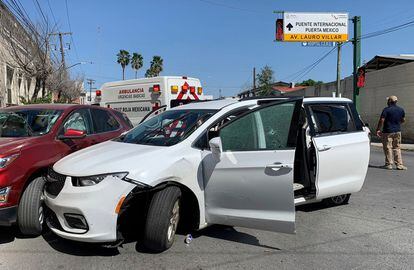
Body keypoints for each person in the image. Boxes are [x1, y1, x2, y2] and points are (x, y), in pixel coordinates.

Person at [376, 95, 407, 170]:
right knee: (397, 147)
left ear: (389, 101)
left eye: (387, 100)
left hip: (388, 131)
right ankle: (399, 164)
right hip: (397, 131)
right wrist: (396, 123)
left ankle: (389, 164)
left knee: (388, 148)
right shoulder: (401, 110)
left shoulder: (386, 110)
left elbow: (382, 120)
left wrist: (378, 129)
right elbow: (403, 120)